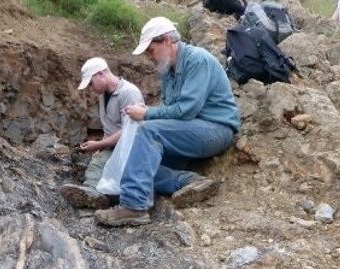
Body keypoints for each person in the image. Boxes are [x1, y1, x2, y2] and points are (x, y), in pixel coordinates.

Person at [94, 17, 241, 227]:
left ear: (166, 41)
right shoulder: (169, 72)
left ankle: (134, 206)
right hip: (189, 133)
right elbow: (171, 111)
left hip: (215, 130)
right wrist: (149, 112)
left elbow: (187, 110)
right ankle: (189, 181)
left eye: (151, 50)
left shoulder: (197, 59)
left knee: (147, 130)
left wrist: (147, 114)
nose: (149, 57)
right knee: (136, 164)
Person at [60, 57, 144, 209]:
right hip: (113, 147)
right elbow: (110, 127)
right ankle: (93, 195)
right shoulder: (103, 95)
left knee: (103, 169)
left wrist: (100, 144)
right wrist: (101, 147)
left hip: (130, 149)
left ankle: (95, 195)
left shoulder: (128, 93)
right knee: (97, 163)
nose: (90, 89)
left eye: (91, 83)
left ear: (100, 74)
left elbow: (130, 131)